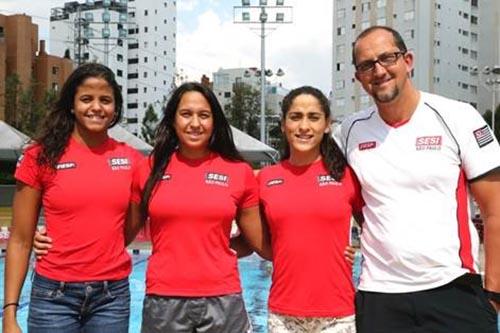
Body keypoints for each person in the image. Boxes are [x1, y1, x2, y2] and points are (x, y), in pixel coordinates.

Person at [337, 26, 500, 332]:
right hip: (379, 296)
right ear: (358, 78)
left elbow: (495, 210)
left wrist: (494, 294)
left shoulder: (458, 117)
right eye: (367, 65)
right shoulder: (349, 132)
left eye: (388, 58)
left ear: (408, 60)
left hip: (453, 289)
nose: (379, 70)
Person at [2, 63, 143, 333]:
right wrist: (9, 313)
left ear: (115, 107)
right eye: (86, 99)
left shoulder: (132, 160)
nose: (96, 107)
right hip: (54, 297)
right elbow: (20, 239)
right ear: (71, 104)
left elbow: (130, 227)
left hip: (111, 298)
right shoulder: (40, 156)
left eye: (105, 100)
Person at [125, 82, 269, 333]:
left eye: (204, 115)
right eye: (186, 114)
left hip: (223, 298)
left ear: (214, 122)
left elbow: (258, 242)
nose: (195, 123)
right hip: (164, 299)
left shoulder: (237, 171)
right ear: (172, 120)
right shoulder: (147, 169)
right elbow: (121, 235)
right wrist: (56, 239)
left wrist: (321, 249)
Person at [258, 86, 363, 333]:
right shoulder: (265, 179)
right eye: (296, 117)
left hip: (338, 314)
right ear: (283, 125)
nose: (304, 126)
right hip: (283, 314)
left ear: (327, 125)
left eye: (313, 117)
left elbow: (378, 225)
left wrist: (356, 249)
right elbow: (254, 237)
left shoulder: (346, 176)